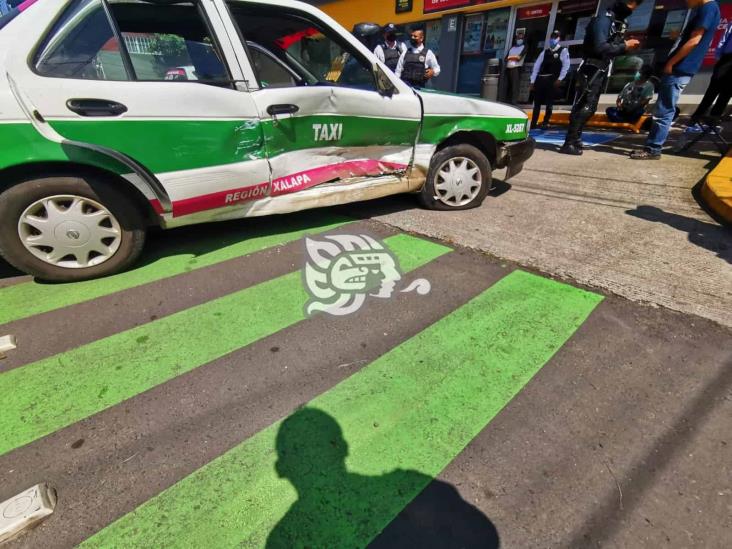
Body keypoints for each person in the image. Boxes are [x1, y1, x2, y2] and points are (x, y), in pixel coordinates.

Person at [631, 0, 721, 159]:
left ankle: (653, 149)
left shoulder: (708, 9)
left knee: (664, 110)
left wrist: (671, 63)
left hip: (680, 68)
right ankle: (653, 147)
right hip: (681, 66)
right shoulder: (707, 9)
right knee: (664, 108)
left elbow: (695, 40)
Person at [559, 1, 642, 155]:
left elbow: (610, 48)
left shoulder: (614, 22)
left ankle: (575, 138)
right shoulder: (603, 20)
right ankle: (569, 142)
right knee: (584, 106)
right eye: (631, 3)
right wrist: (624, 46)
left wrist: (625, 48)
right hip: (591, 68)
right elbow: (600, 47)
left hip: (600, 68)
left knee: (590, 107)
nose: (633, 8)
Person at [689, 18, 732, 125]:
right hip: (727, 58)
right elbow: (724, 38)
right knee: (713, 88)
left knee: (727, 92)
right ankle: (697, 117)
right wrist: (718, 56)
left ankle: (713, 119)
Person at [530, 30, 570, 129]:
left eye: (555, 37)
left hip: (552, 80)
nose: (553, 39)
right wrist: (532, 81)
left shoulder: (563, 51)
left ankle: (546, 121)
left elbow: (566, 66)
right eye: (552, 37)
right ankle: (533, 123)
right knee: (537, 103)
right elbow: (536, 67)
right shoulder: (545, 52)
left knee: (549, 102)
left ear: (559, 39)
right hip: (541, 79)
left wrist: (560, 79)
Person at [504, 32, 527, 105]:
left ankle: (513, 103)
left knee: (515, 87)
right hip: (508, 68)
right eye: (518, 38)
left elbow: (518, 58)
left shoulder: (524, 47)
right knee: (507, 86)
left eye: (521, 38)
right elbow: (505, 58)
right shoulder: (512, 47)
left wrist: (510, 58)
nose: (519, 39)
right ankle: (506, 102)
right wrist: (513, 57)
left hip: (516, 69)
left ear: (523, 39)